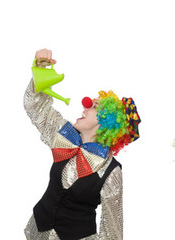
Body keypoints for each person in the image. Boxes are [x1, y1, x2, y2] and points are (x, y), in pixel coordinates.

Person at [24, 49, 141, 240]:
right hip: (39, 231)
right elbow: (35, 106)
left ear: (106, 122)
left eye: (94, 107)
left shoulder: (110, 171)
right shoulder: (65, 135)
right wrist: (41, 71)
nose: (86, 105)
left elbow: (112, 231)